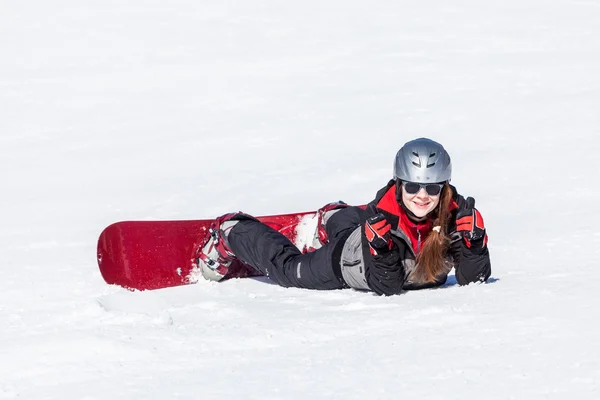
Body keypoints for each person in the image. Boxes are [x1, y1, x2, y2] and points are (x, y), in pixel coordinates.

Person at [195, 138, 491, 296]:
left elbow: (472, 281)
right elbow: (386, 286)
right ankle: (233, 232)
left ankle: (336, 216)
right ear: (399, 184)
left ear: (445, 188)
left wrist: (474, 246)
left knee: (348, 228)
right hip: (348, 263)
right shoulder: (382, 221)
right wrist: (381, 249)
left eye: (432, 187)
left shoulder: (457, 219)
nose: (422, 196)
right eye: (413, 186)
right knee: (289, 270)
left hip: (363, 238)